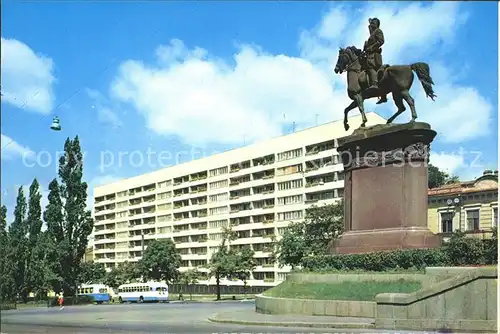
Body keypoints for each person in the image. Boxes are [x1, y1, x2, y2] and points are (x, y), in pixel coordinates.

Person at [363, 17, 387, 104]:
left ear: (376, 24)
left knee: (370, 67)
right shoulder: (372, 33)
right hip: (370, 55)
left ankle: (375, 84)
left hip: (374, 55)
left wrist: (371, 48)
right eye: (371, 24)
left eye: (373, 23)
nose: (371, 26)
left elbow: (381, 41)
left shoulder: (378, 31)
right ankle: (382, 94)